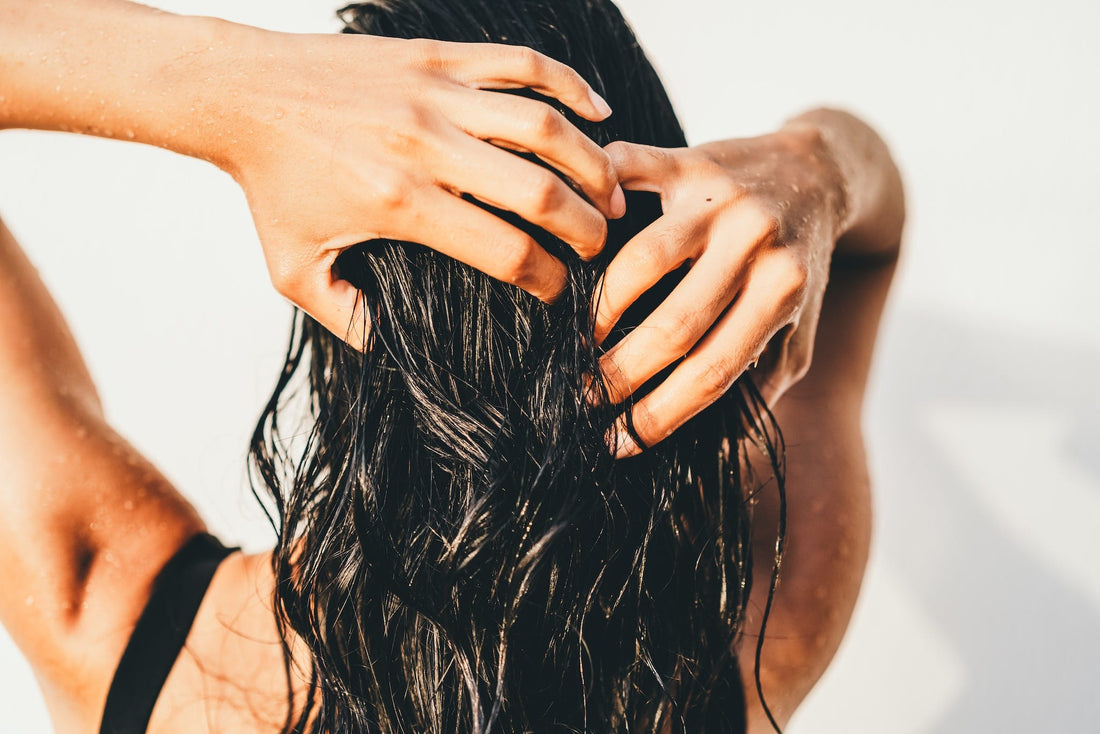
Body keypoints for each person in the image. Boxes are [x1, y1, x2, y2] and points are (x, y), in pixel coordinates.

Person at [0, 0, 905, 732]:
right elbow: (872, 244)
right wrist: (810, 167)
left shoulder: (126, 632)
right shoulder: (746, 633)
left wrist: (232, 87)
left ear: (336, 300)